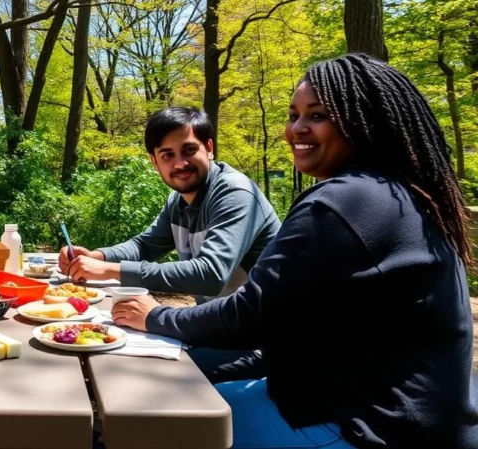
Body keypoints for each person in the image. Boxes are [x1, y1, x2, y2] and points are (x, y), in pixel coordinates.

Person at [112, 54, 478, 449]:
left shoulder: (343, 202)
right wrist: (103, 260)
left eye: (317, 115)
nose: (296, 129)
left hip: (371, 425)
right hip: (390, 411)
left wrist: (156, 317)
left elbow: (251, 316)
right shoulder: (394, 192)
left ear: (362, 121)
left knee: (138, 424)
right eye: (293, 115)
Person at [58, 107, 281, 382]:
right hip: (218, 328)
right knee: (107, 358)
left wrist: (112, 270)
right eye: (168, 155)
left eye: (189, 150)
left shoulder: (235, 194)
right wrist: (98, 256)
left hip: (261, 344)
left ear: (208, 148)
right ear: (155, 162)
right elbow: (145, 245)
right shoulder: (179, 200)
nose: (180, 164)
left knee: (139, 378)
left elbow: (210, 275)